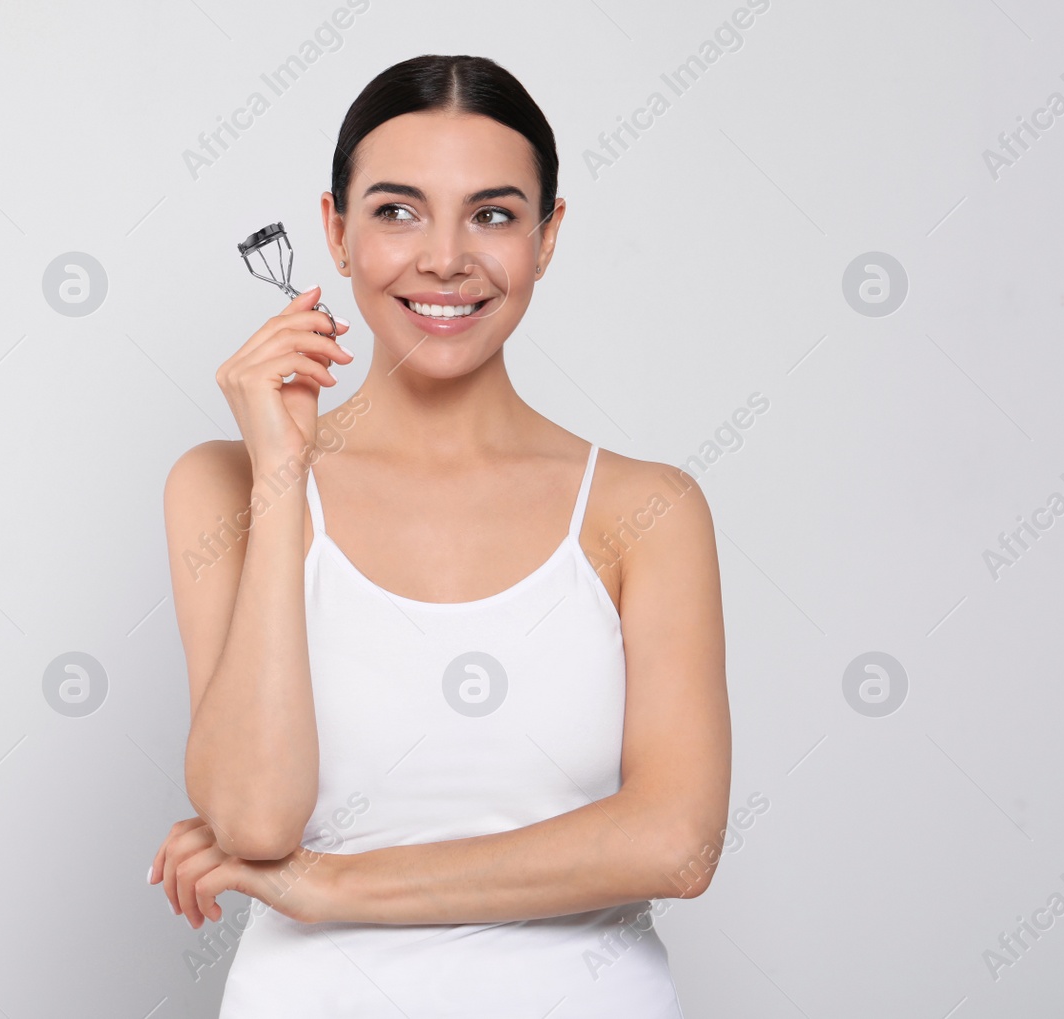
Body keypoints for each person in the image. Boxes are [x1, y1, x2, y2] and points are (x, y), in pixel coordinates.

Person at [152, 53, 730, 1017]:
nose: (446, 257)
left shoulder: (649, 509)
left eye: (494, 215)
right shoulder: (224, 484)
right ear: (335, 232)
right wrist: (287, 475)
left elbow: (676, 842)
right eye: (397, 210)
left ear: (547, 239)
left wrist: (334, 886)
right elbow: (254, 817)